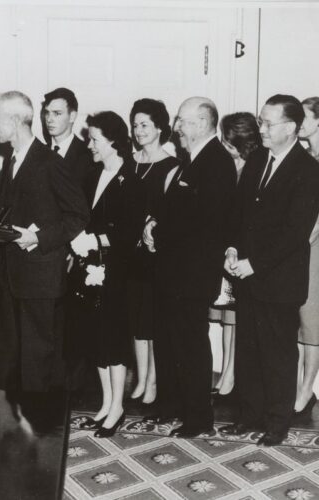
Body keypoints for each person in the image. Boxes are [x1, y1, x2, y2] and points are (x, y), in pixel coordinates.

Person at [0, 90, 89, 392]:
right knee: (6, 357)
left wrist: (39, 237)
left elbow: (79, 214)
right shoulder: (13, 162)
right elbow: (5, 215)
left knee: (37, 361)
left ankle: (39, 429)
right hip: (10, 274)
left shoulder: (48, 162)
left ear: (15, 121)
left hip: (39, 276)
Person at [222, 94, 319, 446]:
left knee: (277, 354)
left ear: (291, 128)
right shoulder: (259, 158)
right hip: (247, 276)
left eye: (267, 123)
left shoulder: (308, 170)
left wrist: (254, 263)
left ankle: (277, 424)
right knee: (249, 349)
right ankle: (249, 416)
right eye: (261, 121)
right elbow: (239, 211)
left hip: (278, 281)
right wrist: (232, 248)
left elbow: (295, 233)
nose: (260, 128)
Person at [143, 97, 236, 438]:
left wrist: (161, 232)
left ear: (200, 124)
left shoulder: (216, 162)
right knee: (175, 341)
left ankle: (198, 419)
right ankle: (177, 408)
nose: (177, 127)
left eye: (182, 120)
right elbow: (175, 209)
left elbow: (203, 222)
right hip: (176, 272)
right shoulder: (191, 160)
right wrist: (153, 224)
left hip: (192, 275)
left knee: (191, 344)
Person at [69, 111, 145, 437]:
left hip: (118, 271)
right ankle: (105, 402)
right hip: (91, 268)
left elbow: (129, 234)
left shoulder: (133, 181)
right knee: (95, 334)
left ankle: (118, 407)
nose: (90, 145)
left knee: (114, 337)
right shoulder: (91, 175)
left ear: (113, 141)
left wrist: (96, 239)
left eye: (95, 139)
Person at [126, 98, 179, 405]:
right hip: (130, 255)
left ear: (160, 127)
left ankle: (154, 381)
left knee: (153, 320)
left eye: (145, 124)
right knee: (136, 319)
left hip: (155, 254)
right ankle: (141, 376)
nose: (139, 130)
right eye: (135, 125)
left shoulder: (172, 166)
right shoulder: (129, 163)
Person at [209, 112, 262, 400]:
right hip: (230, 247)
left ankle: (233, 375)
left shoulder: (254, 167)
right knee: (230, 313)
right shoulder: (229, 167)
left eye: (229, 142)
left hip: (249, 253)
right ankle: (227, 371)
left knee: (241, 316)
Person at [295, 97, 319, 414]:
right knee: (298, 315)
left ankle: (307, 387)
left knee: (312, 317)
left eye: (304, 117)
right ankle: (299, 383)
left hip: (315, 244)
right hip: (300, 243)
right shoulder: (304, 158)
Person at [42, 87, 96, 186]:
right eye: (47, 113)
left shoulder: (88, 156)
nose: (49, 119)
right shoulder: (38, 153)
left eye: (57, 113)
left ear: (72, 116)